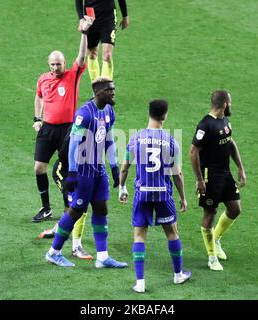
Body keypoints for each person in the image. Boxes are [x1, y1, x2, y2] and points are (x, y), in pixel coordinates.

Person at [45, 77, 127, 268]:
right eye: (110, 90)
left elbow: (108, 140)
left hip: (98, 170)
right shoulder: (85, 113)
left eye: (113, 89)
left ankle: (102, 257)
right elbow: (74, 143)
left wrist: (114, 167)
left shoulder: (108, 111)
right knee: (76, 211)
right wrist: (72, 172)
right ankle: (53, 252)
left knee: (101, 209)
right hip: (82, 170)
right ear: (99, 92)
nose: (113, 93)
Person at [119, 99, 191, 293]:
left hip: (142, 194)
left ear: (149, 113)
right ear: (164, 116)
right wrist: (183, 197)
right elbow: (177, 174)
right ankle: (178, 275)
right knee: (172, 233)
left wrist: (122, 187)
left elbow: (125, 166)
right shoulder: (171, 142)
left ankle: (140, 282)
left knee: (139, 236)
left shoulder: (136, 139)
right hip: (163, 194)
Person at [31, 15, 94, 223]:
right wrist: (37, 118)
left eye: (58, 65)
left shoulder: (72, 75)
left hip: (68, 129)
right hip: (47, 128)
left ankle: (69, 208)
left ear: (64, 64)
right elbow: (38, 97)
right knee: (39, 168)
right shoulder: (43, 79)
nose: (55, 68)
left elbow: (82, 57)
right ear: (48, 64)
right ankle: (46, 208)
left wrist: (84, 34)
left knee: (65, 170)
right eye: (52, 65)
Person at [189, 90, 247, 271]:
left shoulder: (224, 121)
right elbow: (193, 152)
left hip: (225, 173)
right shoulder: (205, 125)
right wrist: (199, 179)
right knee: (210, 213)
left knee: (235, 208)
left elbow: (230, 142)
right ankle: (212, 257)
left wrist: (240, 168)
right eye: (230, 102)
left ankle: (216, 239)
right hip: (209, 175)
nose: (231, 105)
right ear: (224, 104)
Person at [37, 126, 93, 260]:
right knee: (77, 205)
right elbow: (63, 155)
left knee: (73, 207)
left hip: (82, 172)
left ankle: (57, 229)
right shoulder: (79, 127)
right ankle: (76, 247)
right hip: (65, 172)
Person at [76, 0, 129, 81]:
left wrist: (125, 15)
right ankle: (96, 87)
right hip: (91, 16)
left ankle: (106, 88)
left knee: (107, 55)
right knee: (91, 54)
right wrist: (81, 19)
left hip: (108, 18)